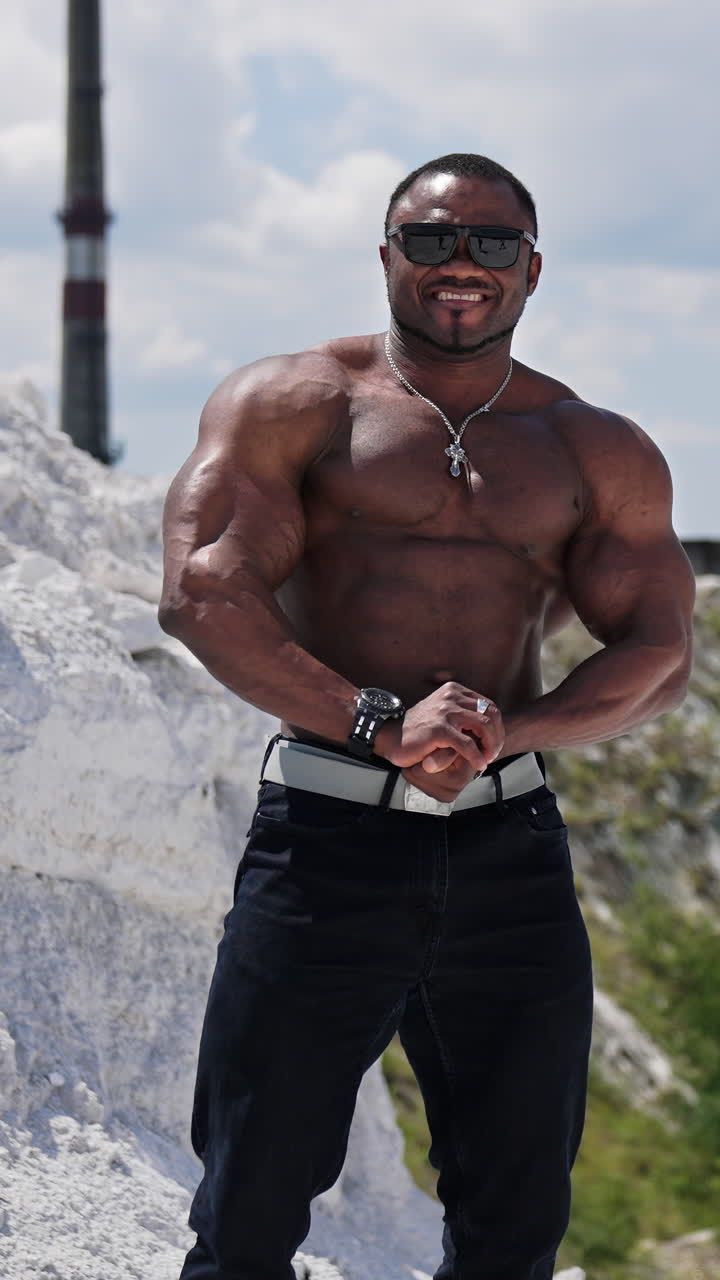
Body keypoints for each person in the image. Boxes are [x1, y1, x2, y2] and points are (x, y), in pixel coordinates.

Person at [158, 152, 695, 1280]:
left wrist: (517, 728)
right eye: (432, 239)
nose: (462, 265)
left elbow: (659, 653)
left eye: (491, 243)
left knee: (514, 1220)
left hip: (510, 854)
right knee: (249, 1201)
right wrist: (377, 721)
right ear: (388, 253)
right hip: (327, 843)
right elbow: (203, 591)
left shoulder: (593, 448)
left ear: (533, 267)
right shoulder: (295, 403)